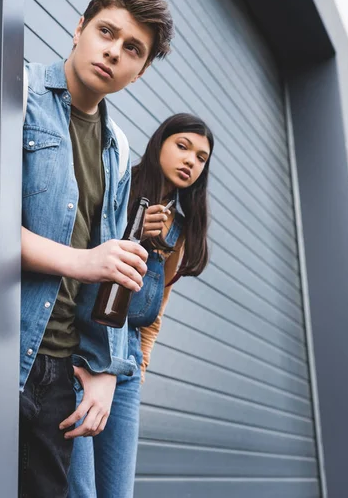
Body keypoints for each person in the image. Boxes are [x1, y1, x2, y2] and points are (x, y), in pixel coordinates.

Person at [19, 0, 174, 498]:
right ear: (80, 28)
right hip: (6, 351)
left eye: (133, 48)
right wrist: (84, 261)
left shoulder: (117, 146)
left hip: (61, 373)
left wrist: (103, 369)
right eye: (106, 32)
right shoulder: (18, 94)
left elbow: (111, 274)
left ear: (141, 69)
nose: (114, 51)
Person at [69, 113, 214, 497]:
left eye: (201, 158)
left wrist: (141, 365)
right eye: (182, 147)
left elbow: (155, 312)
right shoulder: (118, 183)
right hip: (86, 349)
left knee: (117, 492)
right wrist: (130, 228)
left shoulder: (178, 230)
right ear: (159, 144)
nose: (190, 162)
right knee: (80, 489)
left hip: (129, 360)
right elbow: (80, 256)